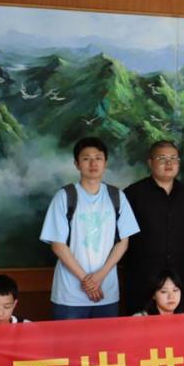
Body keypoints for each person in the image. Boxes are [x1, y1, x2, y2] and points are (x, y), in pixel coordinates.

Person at [40, 137, 140, 319]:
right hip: (70, 294)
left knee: (106, 338)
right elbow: (58, 244)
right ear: (77, 164)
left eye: (98, 158)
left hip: (106, 291)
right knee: (69, 338)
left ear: (105, 162)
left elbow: (123, 242)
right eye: (86, 158)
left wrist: (100, 276)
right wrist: (86, 280)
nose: (93, 163)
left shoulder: (116, 196)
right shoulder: (64, 196)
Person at [122, 140, 184, 314]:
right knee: (140, 325)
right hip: (142, 275)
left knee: (178, 327)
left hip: (179, 276)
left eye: (173, 158)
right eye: (162, 158)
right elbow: (122, 237)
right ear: (150, 162)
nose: (169, 163)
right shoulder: (133, 194)